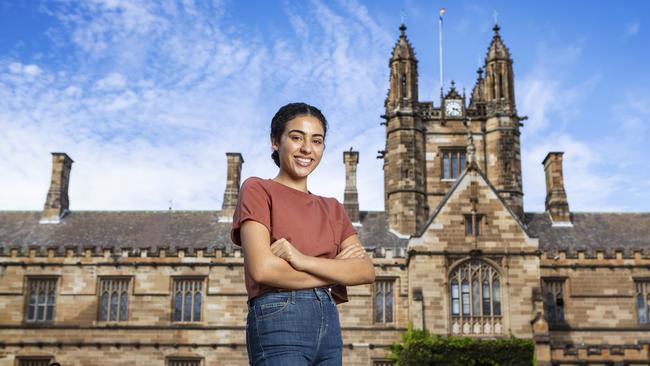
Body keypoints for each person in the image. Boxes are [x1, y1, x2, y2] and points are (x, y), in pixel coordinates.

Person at [230, 102, 376, 365]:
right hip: (278, 317)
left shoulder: (332, 207)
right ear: (276, 141)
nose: (307, 148)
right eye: (297, 137)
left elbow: (365, 272)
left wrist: (300, 259)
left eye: (316, 140)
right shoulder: (257, 190)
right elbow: (263, 270)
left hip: (329, 325)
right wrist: (334, 272)